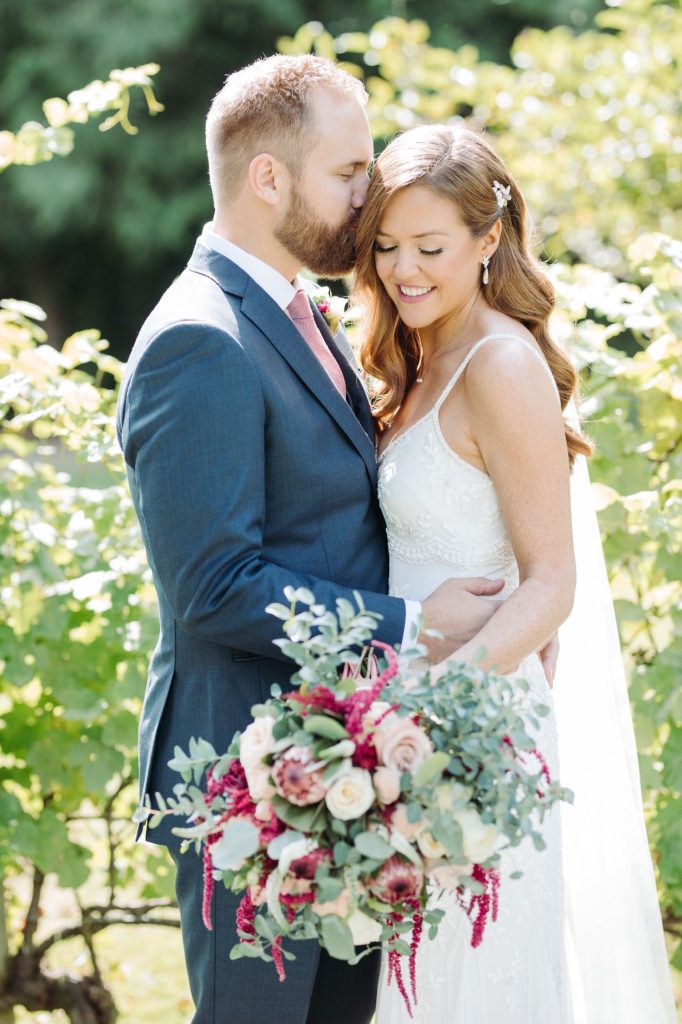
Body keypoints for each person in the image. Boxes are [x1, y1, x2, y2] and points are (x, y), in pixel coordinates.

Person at [115, 57, 509, 1024]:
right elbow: (216, 585)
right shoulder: (199, 339)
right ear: (269, 180)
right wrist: (410, 624)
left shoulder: (297, 310)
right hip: (247, 774)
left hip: (340, 766)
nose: (368, 197)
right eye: (350, 172)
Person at [354, 124, 676, 1022]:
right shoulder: (418, 358)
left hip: (470, 721)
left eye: (429, 248)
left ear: (489, 240)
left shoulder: (500, 364)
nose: (402, 271)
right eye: (385, 247)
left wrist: (430, 706)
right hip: (401, 714)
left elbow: (550, 584)